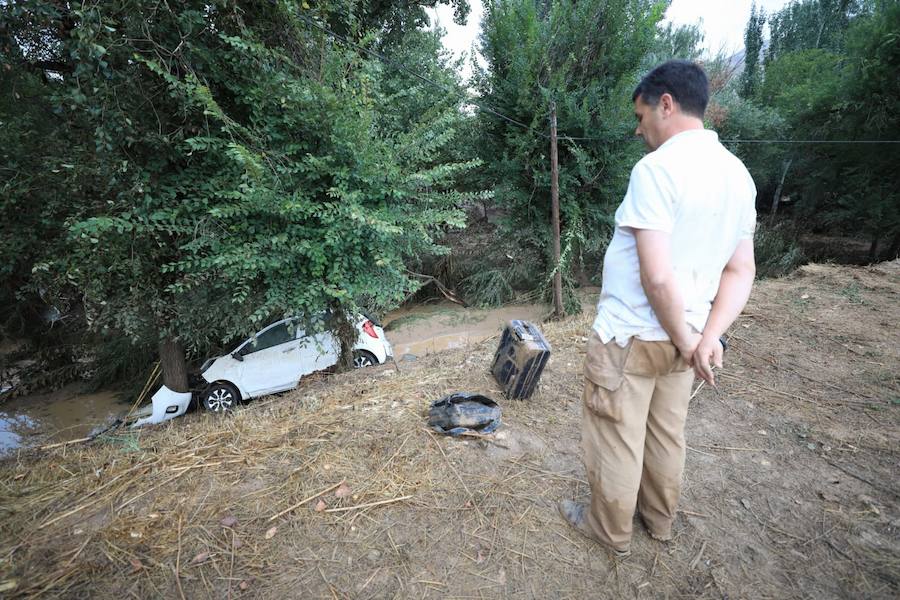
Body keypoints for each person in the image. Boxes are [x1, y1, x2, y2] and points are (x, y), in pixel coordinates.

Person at [558, 60, 757, 557]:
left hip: (631, 336)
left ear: (666, 103)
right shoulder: (738, 176)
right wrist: (705, 338)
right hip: (684, 339)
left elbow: (657, 275)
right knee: (667, 434)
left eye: (641, 113)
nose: (638, 126)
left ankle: (609, 531)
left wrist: (696, 342)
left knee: (617, 436)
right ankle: (660, 522)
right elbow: (740, 271)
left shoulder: (657, 169)